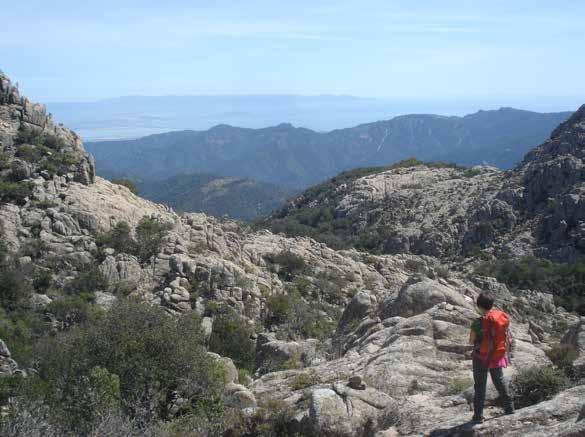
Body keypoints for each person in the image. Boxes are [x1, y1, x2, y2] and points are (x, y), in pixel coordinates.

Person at [469, 291, 514, 423]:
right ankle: (509, 408)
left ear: (479, 306)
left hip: (481, 357)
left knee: (480, 386)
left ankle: (478, 416)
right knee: (499, 381)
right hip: (497, 355)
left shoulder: (477, 323)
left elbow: (471, 341)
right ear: (491, 304)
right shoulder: (500, 317)